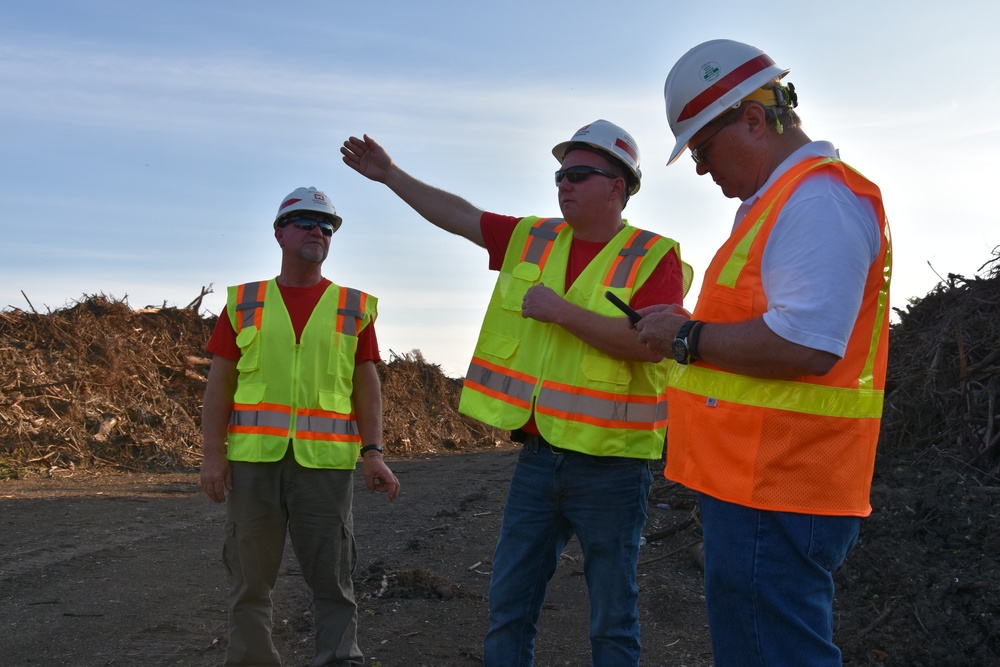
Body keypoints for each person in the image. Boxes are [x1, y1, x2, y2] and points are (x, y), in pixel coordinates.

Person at [341, 121, 691, 666]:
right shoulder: (535, 237)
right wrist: (389, 176)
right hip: (537, 459)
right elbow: (460, 216)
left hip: (614, 467)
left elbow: (650, 345)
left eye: (578, 174)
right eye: (559, 175)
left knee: (612, 617)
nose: (563, 184)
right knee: (509, 605)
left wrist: (560, 311)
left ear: (618, 186)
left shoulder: (653, 255)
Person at [633, 39, 892, 666]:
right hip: (764, 482)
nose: (699, 168)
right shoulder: (784, 202)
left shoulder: (814, 199)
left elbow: (805, 345)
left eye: (701, 147)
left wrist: (684, 337)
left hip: (779, 484)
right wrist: (690, 325)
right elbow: (775, 327)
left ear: (753, 119)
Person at [199, 186, 400, 667]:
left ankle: (340, 659)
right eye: (306, 221)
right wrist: (212, 454)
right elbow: (220, 383)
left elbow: (365, 384)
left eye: (327, 225)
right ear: (279, 232)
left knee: (333, 576)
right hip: (253, 464)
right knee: (250, 577)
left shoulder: (354, 307)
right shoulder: (244, 302)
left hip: (325, 466)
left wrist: (372, 451)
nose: (318, 230)